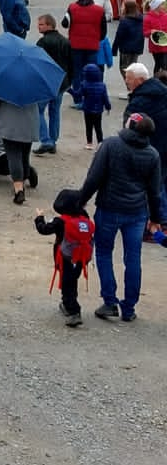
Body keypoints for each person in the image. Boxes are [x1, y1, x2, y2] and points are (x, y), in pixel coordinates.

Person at [77, 111, 166, 321]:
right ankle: (129, 308)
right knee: (133, 258)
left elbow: (94, 178)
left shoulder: (111, 145)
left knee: (104, 253)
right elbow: (155, 191)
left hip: (108, 209)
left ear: (131, 126)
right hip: (136, 213)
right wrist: (156, 219)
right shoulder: (152, 154)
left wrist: (79, 203)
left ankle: (109, 302)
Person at [35, 188, 96, 327]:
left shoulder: (60, 221)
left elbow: (43, 229)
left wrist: (39, 218)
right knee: (72, 281)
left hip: (65, 258)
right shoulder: (84, 218)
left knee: (67, 284)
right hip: (81, 259)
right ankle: (67, 304)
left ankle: (74, 311)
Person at [0, 94, 39, 206]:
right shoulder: (36, 81)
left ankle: (19, 190)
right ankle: (24, 180)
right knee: (25, 155)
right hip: (30, 121)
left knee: (13, 155)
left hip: (9, 121)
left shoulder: (7, 80)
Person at [36, 13, 72, 154]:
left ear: (49, 25)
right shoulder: (65, 41)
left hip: (47, 82)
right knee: (54, 111)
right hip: (62, 82)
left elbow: (38, 63)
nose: (38, 27)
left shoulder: (43, 43)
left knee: (37, 110)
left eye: (41, 24)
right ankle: (53, 140)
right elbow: (71, 63)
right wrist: (70, 81)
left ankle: (45, 140)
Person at [63, 0, 107, 83]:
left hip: (75, 45)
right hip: (92, 45)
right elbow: (103, 30)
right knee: (91, 70)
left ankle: (78, 94)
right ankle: (90, 90)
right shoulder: (99, 10)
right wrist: (97, 39)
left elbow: (64, 23)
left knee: (77, 70)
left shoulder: (72, 8)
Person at [73, 61, 111, 148]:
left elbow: (77, 94)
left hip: (87, 109)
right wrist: (108, 107)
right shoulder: (102, 85)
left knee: (88, 127)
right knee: (98, 127)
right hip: (98, 110)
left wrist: (69, 90)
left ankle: (89, 143)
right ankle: (100, 143)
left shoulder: (84, 84)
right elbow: (105, 98)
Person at [115, 0, 145, 75]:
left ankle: (131, 85)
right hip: (137, 48)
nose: (121, 8)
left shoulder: (124, 21)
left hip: (126, 48)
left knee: (124, 68)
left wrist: (114, 48)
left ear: (127, 8)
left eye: (122, 7)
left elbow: (119, 35)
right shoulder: (140, 19)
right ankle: (133, 85)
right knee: (133, 68)